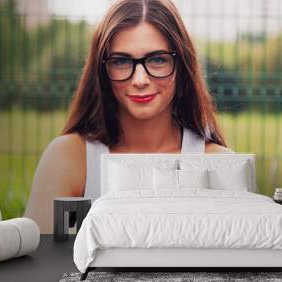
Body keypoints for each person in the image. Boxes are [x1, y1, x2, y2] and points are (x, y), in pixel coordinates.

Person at [24, 0, 234, 234]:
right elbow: (41, 262)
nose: (140, 80)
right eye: (121, 61)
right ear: (102, 70)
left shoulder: (219, 163)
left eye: (157, 59)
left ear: (181, 65)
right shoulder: (69, 157)